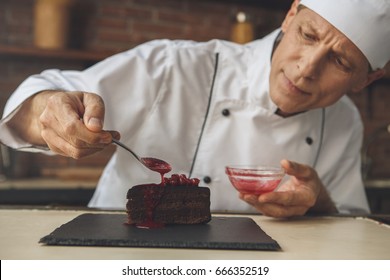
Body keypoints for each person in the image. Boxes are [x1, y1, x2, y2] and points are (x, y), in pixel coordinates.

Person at [1, 0, 389, 218]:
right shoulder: (174, 65)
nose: (306, 69)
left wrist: (318, 202)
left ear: (365, 80)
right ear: (291, 15)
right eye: (307, 35)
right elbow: (46, 94)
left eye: (341, 63)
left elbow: (351, 227)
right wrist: (48, 111)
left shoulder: (344, 122)